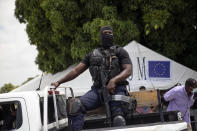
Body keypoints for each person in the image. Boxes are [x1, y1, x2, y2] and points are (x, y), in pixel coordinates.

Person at [51, 25, 132, 131]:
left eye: (110, 33)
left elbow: (128, 70)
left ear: (113, 35)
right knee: (75, 106)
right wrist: (58, 82)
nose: (107, 35)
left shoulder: (120, 51)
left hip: (117, 89)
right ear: (101, 36)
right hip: (98, 91)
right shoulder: (92, 55)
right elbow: (76, 71)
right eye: (105, 33)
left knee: (118, 118)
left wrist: (113, 80)